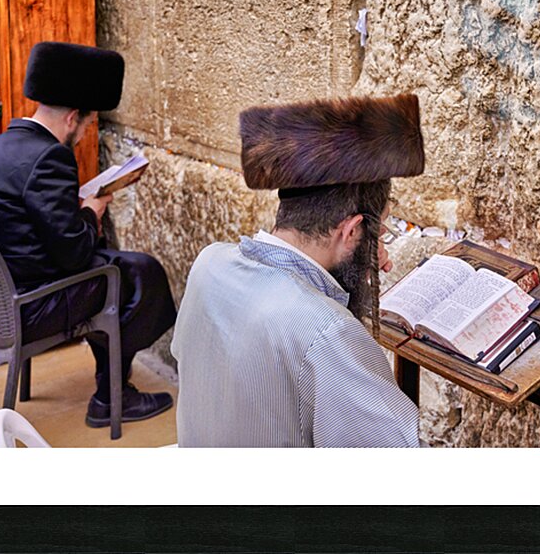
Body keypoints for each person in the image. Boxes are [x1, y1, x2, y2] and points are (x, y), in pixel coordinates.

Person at [170, 94, 426, 447]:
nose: (383, 256)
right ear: (351, 231)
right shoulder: (327, 331)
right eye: (378, 234)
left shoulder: (208, 264)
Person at [0, 41, 177, 428]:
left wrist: (75, 209)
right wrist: (91, 211)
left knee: (117, 270)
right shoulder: (50, 156)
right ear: (73, 118)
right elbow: (74, 255)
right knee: (140, 273)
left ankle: (111, 385)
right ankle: (111, 397)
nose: (85, 133)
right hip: (25, 309)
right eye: (88, 124)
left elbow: (14, 224)